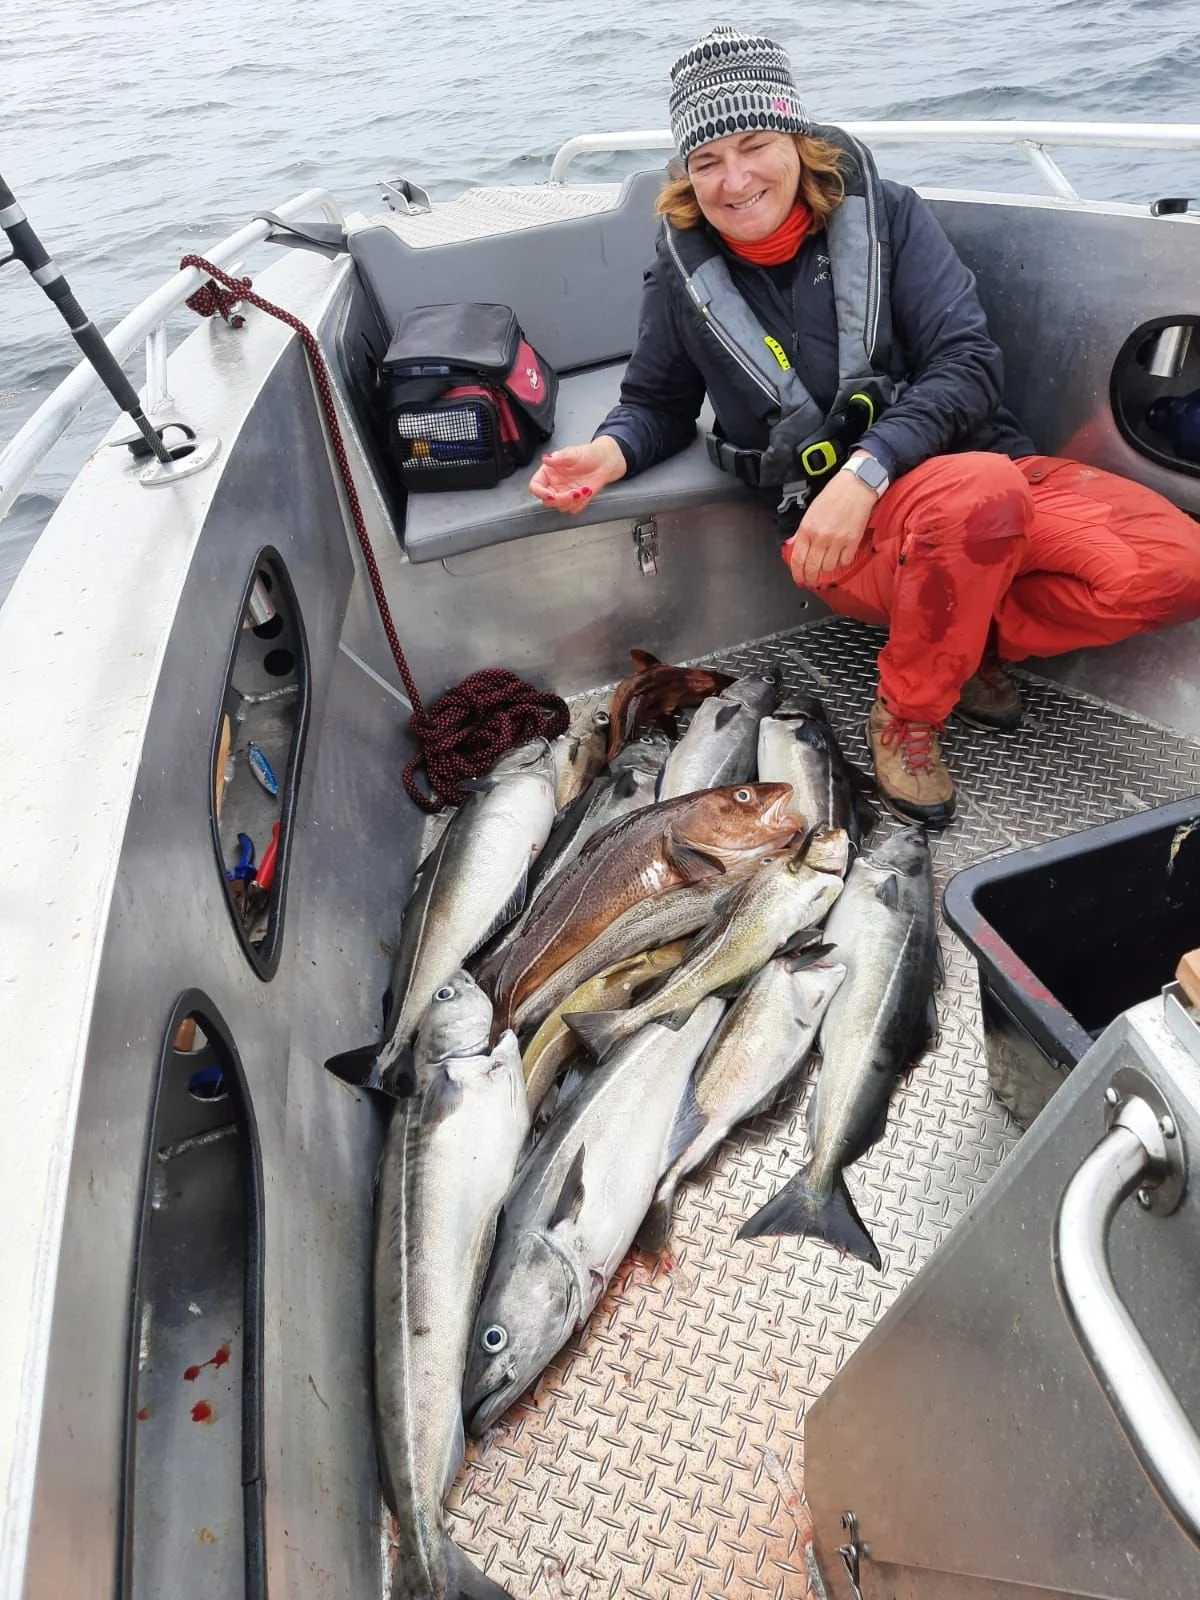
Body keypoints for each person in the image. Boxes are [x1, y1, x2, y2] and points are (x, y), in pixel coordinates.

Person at [529, 23, 1200, 827]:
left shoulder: (893, 220)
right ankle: (909, 715)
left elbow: (969, 364)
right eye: (707, 161)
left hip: (973, 475)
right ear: (687, 176)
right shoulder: (682, 280)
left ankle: (959, 645)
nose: (735, 179)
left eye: (754, 144)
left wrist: (868, 468)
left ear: (797, 141)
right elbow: (655, 405)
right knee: (978, 499)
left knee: (1175, 566)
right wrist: (604, 455)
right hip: (840, 532)